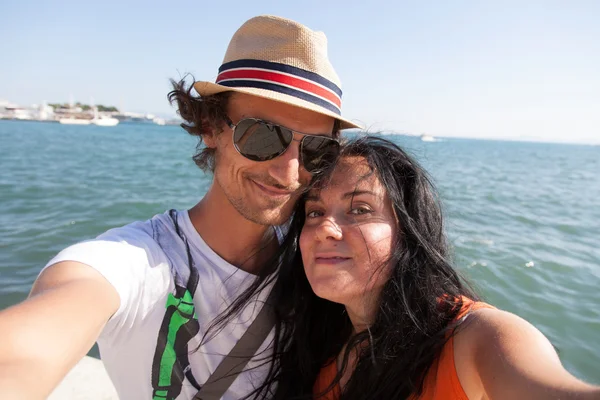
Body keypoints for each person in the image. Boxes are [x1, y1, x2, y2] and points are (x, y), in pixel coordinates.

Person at [0, 15, 360, 400]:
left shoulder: (319, 264)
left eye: (316, 150)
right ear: (210, 127)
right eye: (262, 135)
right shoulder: (138, 263)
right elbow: (33, 344)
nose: (290, 171)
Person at [259, 136, 600, 399]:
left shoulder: (474, 338)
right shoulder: (316, 335)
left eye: (360, 209)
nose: (324, 229)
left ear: (408, 232)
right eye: (315, 212)